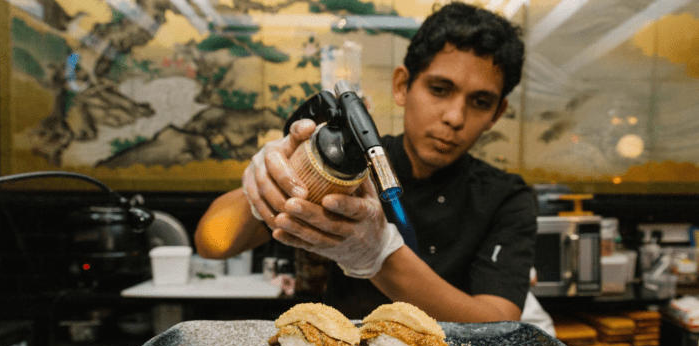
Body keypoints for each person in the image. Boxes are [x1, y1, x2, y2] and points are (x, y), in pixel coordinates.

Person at [194, 2, 536, 322]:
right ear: (403, 86)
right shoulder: (349, 169)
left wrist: (378, 255)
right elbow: (212, 244)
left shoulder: (506, 197)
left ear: (496, 114)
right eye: (440, 89)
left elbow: (498, 322)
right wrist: (264, 181)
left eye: (479, 101)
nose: (454, 117)